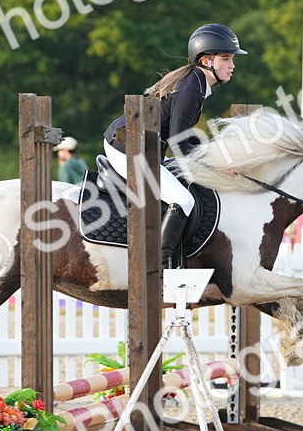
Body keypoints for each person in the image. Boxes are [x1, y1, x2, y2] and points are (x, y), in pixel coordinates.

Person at [102, 23, 247, 268]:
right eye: (226, 58)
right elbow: (179, 141)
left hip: (143, 147)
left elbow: (185, 138)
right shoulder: (191, 88)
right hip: (127, 148)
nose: (232, 65)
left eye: (231, 59)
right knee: (183, 200)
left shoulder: (197, 83)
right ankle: (159, 265)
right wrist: (215, 166)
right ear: (207, 60)